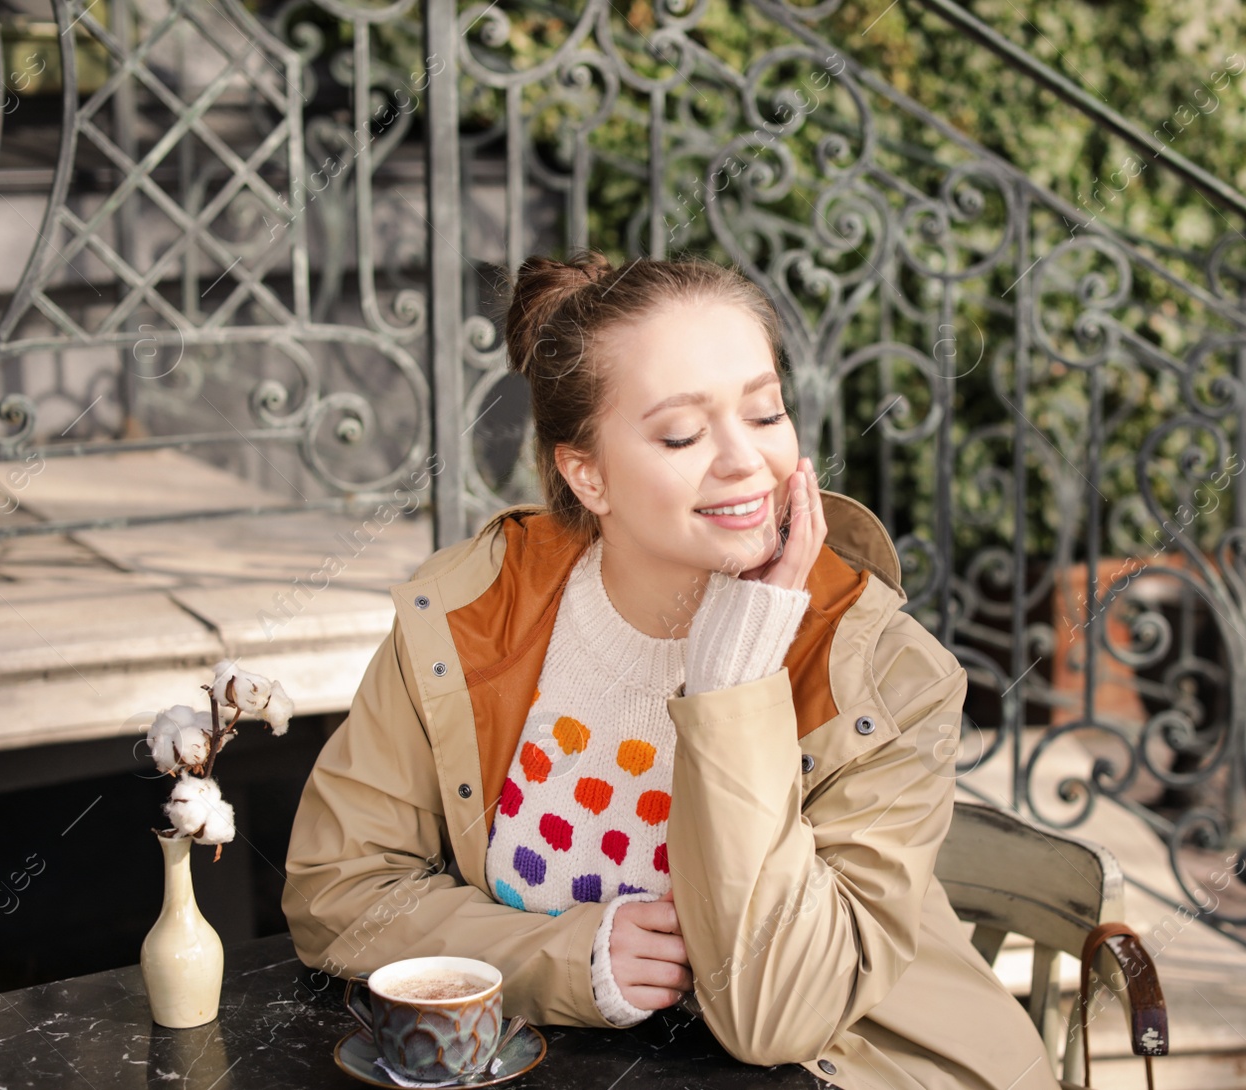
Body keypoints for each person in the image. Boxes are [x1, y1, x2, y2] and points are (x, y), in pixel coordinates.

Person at [282, 250, 1060, 1090]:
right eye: (683, 434)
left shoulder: (887, 675)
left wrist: (733, 686)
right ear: (588, 473)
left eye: (765, 415)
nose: (744, 463)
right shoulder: (475, 612)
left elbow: (775, 1016)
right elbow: (339, 891)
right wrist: (572, 956)